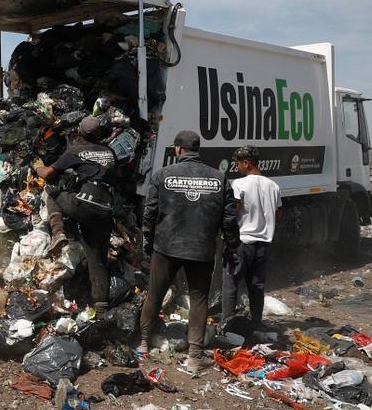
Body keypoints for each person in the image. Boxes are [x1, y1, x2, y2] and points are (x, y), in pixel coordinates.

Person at [137, 130, 237, 372]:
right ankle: (195, 355)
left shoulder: (163, 176)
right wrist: (231, 247)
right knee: (199, 299)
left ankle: (143, 344)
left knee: (155, 294)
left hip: (166, 247)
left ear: (179, 150)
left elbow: (149, 214)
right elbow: (230, 219)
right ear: (197, 150)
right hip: (201, 250)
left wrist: (147, 244)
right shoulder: (219, 178)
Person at [35, 116, 118, 315]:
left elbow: (48, 174)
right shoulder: (110, 151)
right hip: (106, 209)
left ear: (80, 132)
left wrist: (37, 165)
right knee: (97, 258)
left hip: (84, 204)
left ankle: (58, 233)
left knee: (51, 191)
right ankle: (101, 307)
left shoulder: (76, 150)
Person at [220, 145, 282, 338]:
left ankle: (227, 324)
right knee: (257, 286)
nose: (237, 167)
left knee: (230, 283)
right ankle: (256, 323)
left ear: (246, 163)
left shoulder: (239, 184)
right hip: (263, 244)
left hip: (242, 242)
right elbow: (279, 213)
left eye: (238, 163)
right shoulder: (273, 186)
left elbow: (235, 210)